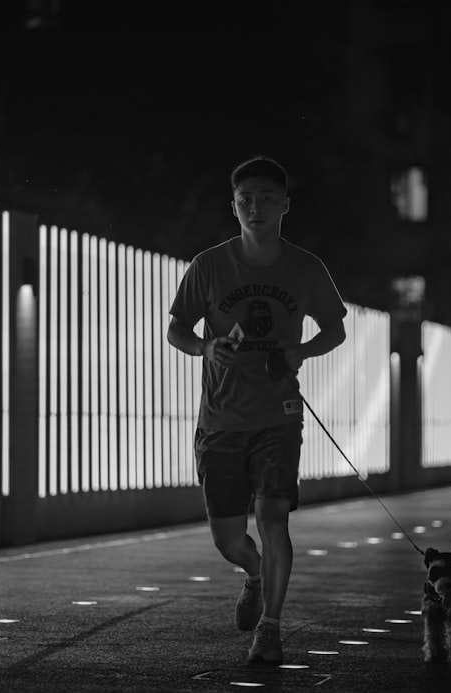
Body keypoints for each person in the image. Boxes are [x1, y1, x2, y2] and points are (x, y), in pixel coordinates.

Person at [166, 156, 347, 664]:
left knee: (273, 519)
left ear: (286, 205)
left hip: (279, 417)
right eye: (245, 199)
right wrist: (205, 348)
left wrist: (303, 351)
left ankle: (270, 627)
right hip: (221, 420)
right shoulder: (209, 266)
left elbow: (335, 328)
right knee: (228, 538)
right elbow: (176, 328)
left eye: (267, 197)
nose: (255, 207)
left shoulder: (306, 268)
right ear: (234, 207)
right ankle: (251, 572)